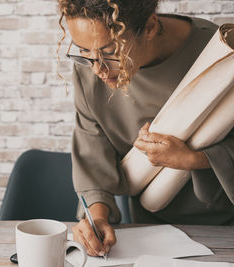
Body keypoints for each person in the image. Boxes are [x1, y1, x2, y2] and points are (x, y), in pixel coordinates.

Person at [57, 0, 234, 258]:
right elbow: (92, 148)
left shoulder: (219, 53)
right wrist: (96, 217)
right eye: (84, 51)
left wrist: (193, 159)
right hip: (148, 229)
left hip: (226, 225)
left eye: (110, 52)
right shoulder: (91, 65)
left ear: (150, 27)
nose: (98, 70)